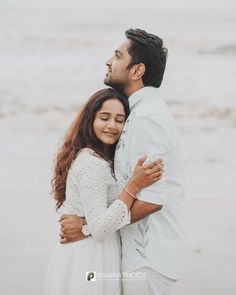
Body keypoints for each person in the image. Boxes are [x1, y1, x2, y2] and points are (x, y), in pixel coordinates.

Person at [60, 28, 185, 295]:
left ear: (136, 71)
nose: (108, 61)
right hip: (121, 258)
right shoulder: (137, 114)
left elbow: (152, 199)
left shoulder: (146, 119)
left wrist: (86, 228)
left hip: (146, 260)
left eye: (117, 56)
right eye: (105, 118)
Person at [45, 88, 164, 295]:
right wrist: (133, 186)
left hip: (84, 254)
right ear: (90, 119)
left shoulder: (96, 157)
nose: (112, 125)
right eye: (104, 117)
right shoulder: (93, 164)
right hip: (89, 260)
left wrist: (82, 225)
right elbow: (100, 229)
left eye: (120, 120)